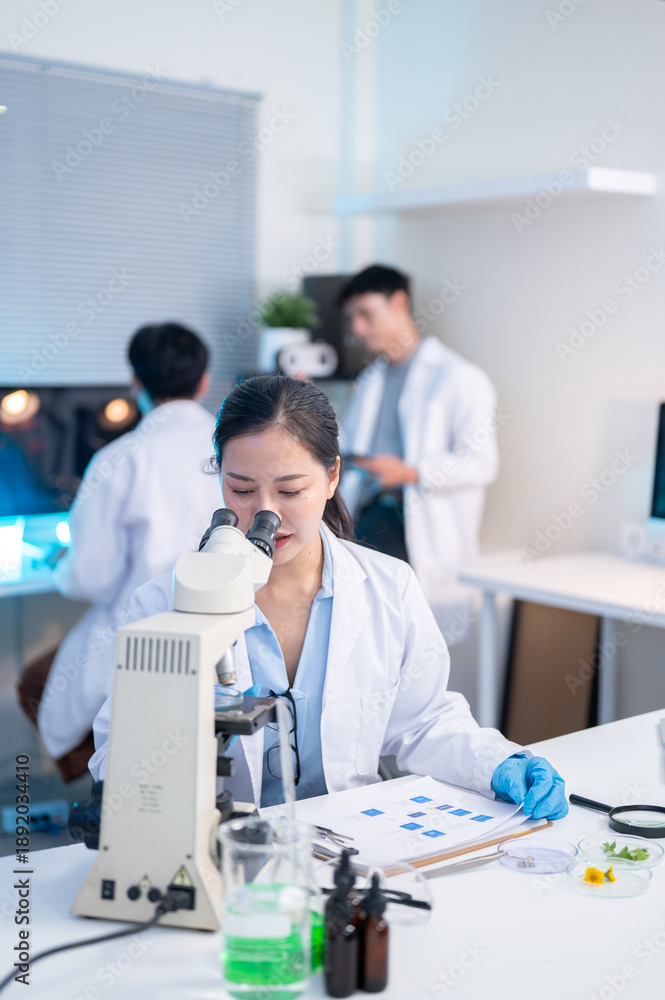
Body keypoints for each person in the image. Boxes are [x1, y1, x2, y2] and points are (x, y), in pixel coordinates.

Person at [88, 375, 567, 822]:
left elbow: (424, 723)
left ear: (332, 476)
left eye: (291, 490)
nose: (266, 514)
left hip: (350, 838)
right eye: (241, 489)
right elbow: (116, 762)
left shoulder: (389, 587)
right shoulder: (162, 604)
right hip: (225, 843)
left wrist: (498, 763)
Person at [19, 323, 222, 782]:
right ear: (204, 381)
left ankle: (113, 789)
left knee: (36, 682)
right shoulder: (235, 447)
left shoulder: (121, 458)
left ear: (135, 381)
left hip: (146, 633)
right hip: (226, 632)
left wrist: (61, 566)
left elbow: (90, 577)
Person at [337, 264, 499, 645]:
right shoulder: (371, 379)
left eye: (365, 314)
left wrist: (411, 472)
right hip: (369, 513)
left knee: (398, 641)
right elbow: (348, 443)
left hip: (415, 527)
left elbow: (482, 464)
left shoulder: (458, 377)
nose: (357, 328)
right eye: (352, 318)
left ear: (399, 303)